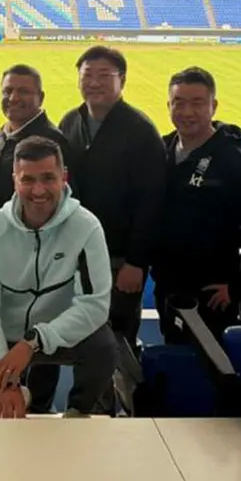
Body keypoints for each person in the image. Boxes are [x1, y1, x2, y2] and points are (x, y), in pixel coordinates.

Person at [0, 137, 117, 419]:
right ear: (14, 180)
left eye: (48, 178)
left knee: (103, 347)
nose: (38, 190)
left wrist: (33, 341)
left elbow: (95, 306)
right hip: (4, 331)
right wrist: (7, 382)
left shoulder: (86, 227)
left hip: (56, 334)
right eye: (28, 180)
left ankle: (80, 410)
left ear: (63, 177)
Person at [155, 67, 241, 342]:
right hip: (167, 285)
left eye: (198, 103)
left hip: (212, 293)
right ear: (168, 106)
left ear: (214, 106)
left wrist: (235, 286)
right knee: (173, 354)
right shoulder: (160, 150)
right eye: (179, 102)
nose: (187, 112)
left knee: (212, 361)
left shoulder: (236, 163)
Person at [57, 46, 165, 349]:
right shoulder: (70, 122)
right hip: (78, 255)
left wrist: (136, 262)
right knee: (81, 338)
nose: (94, 83)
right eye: (87, 75)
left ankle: (122, 382)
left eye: (104, 75)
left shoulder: (141, 131)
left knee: (118, 340)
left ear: (122, 80)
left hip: (119, 260)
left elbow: (151, 201)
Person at [0, 64, 73, 212]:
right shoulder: (5, 132)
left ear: (41, 98)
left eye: (23, 92)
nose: (13, 98)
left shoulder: (51, 141)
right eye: (7, 91)